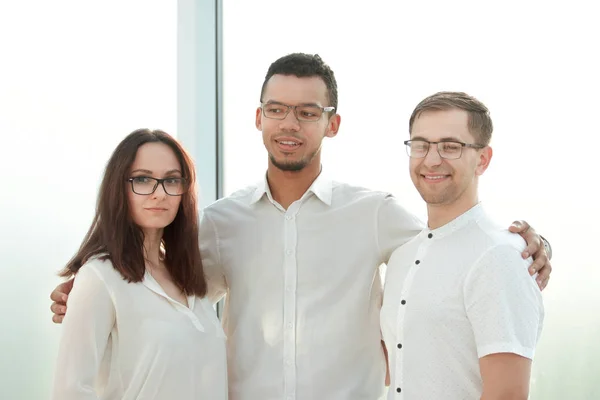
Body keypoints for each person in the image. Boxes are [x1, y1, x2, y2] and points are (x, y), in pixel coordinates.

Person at [51, 54, 551, 400]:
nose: (290, 123)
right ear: (258, 118)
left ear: (332, 124)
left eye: (308, 112)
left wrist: (524, 242)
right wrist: (90, 288)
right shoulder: (221, 222)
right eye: (277, 109)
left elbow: (447, 238)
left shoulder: (374, 214)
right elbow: (160, 280)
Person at [381, 92, 545, 399]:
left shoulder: (499, 257)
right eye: (421, 145)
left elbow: (506, 394)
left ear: (482, 159)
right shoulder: (402, 256)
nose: (431, 159)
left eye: (450, 147)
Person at [51, 129, 227, 400]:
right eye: (143, 179)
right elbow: (70, 391)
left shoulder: (188, 278)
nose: (159, 194)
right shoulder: (99, 276)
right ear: (118, 188)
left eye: (171, 180)